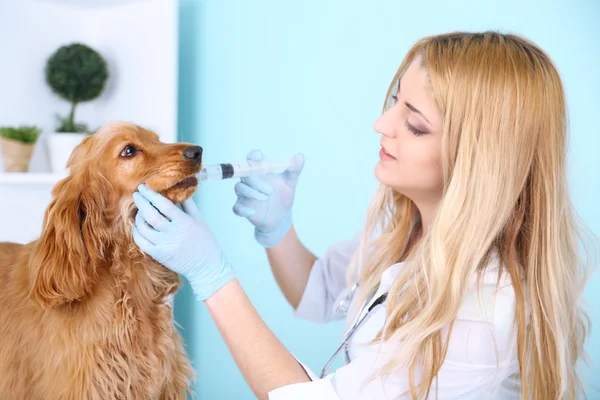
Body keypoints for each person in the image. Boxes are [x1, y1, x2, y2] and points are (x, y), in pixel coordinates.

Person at [131, 31, 594, 399]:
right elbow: (319, 291)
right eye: (396, 99)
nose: (382, 124)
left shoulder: (483, 316)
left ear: (478, 161)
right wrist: (278, 233)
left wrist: (211, 274)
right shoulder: (408, 228)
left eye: (415, 124)